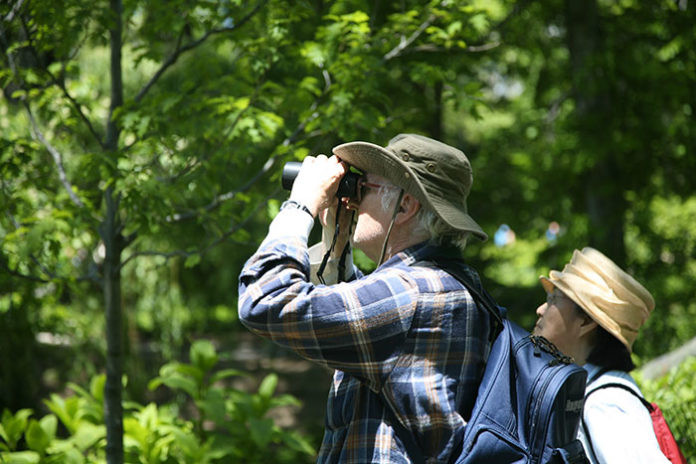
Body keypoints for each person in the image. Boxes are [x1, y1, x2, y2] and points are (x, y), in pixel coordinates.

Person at [238, 134, 493, 463]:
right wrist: (337, 240)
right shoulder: (448, 283)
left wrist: (301, 204)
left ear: (405, 205)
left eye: (364, 188)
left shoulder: (413, 294)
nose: (353, 202)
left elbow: (264, 298)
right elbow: (363, 329)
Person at [533, 247, 670, 464]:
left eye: (553, 299)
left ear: (586, 322)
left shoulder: (606, 403)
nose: (541, 309)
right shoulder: (588, 392)